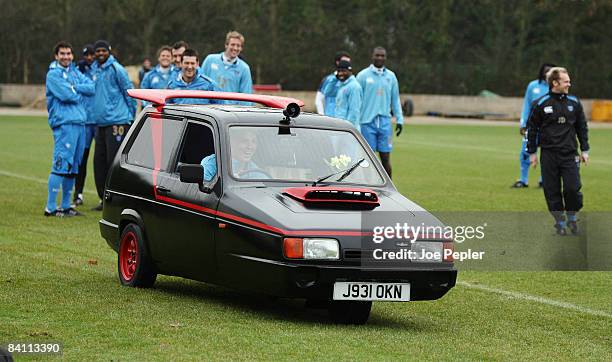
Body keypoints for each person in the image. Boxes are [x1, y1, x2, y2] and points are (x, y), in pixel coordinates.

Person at [527, 67, 589, 236]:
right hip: (549, 155)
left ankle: (572, 216)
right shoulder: (540, 103)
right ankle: (559, 221)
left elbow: (581, 127)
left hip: (570, 154)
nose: (570, 83)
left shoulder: (574, 103)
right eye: (566, 81)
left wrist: (585, 149)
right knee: (551, 190)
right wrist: (532, 153)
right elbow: (532, 130)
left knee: (572, 188)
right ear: (555, 83)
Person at [44, 41, 94, 217]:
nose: (66, 57)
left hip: (80, 123)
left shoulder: (74, 72)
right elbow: (66, 95)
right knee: (61, 164)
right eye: (62, 54)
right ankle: (50, 207)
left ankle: (66, 206)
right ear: (56, 56)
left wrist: (75, 88)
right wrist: (76, 91)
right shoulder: (53, 75)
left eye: (68, 54)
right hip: (65, 124)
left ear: (72, 56)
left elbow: (91, 87)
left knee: (73, 166)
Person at [91, 40, 136, 211]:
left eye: (103, 50)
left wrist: (130, 117)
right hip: (100, 123)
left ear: (109, 52)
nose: (100, 53)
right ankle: (103, 198)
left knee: (113, 162)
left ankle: (117, 199)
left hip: (117, 122)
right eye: (98, 51)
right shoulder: (94, 69)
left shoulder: (117, 69)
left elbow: (128, 92)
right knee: (99, 162)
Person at [356, 46, 403, 178]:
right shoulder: (363, 75)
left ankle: (389, 191)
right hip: (366, 122)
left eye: (382, 56)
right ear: (372, 56)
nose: (380, 58)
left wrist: (399, 119)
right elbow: (357, 100)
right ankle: (367, 187)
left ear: (385, 58)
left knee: (385, 158)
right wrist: (355, 120)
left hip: (384, 123)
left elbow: (395, 99)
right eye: (377, 55)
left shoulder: (391, 77)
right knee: (367, 159)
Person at [512, 63, 556, 188]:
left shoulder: (556, 87)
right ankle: (523, 180)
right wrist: (523, 123)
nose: (547, 73)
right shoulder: (533, 86)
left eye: (550, 71)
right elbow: (526, 105)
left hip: (549, 127)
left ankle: (544, 180)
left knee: (547, 154)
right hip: (532, 126)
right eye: (546, 70)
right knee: (525, 151)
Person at [73, 44, 97, 206]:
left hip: (101, 121)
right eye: (86, 55)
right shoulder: (78, 70)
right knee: (82, 159)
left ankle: (105, 196)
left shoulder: (100, 69)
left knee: (104, 161)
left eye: (91, 55)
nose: (89, 58)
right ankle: (78, 193)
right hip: (85, 121)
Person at [200, 31, 252, 103]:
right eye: (233, 44)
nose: (235, 48)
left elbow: (246, 96)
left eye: (238, 46)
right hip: (209, 108)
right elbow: (200, 83)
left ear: (241, 48)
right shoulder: (210, 60)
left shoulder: (244, 68)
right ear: (226, 45)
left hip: (230, 111)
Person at [201, 128, 268, 181]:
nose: (250, 147)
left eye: (254, 141)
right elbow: (202, 189)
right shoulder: (213, 163)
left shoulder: (254, 169)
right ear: (231, 142)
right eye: (244, 141)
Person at [315, 51, 351, 116]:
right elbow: (319, 99)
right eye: (345, 61)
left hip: (344, 120)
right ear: (337, 62)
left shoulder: (351, 82)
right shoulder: (328, 79)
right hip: (330, 119)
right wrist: (322, 116)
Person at [333, 60, 362, 130]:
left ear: (350, 71)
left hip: (347, 130)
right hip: (340, 128)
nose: (340, 73)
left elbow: (354, 112)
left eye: (343, 71)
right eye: (339, 71)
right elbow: (327, 92)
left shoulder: (354, 86)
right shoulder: (342, 85)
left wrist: (347, 130)